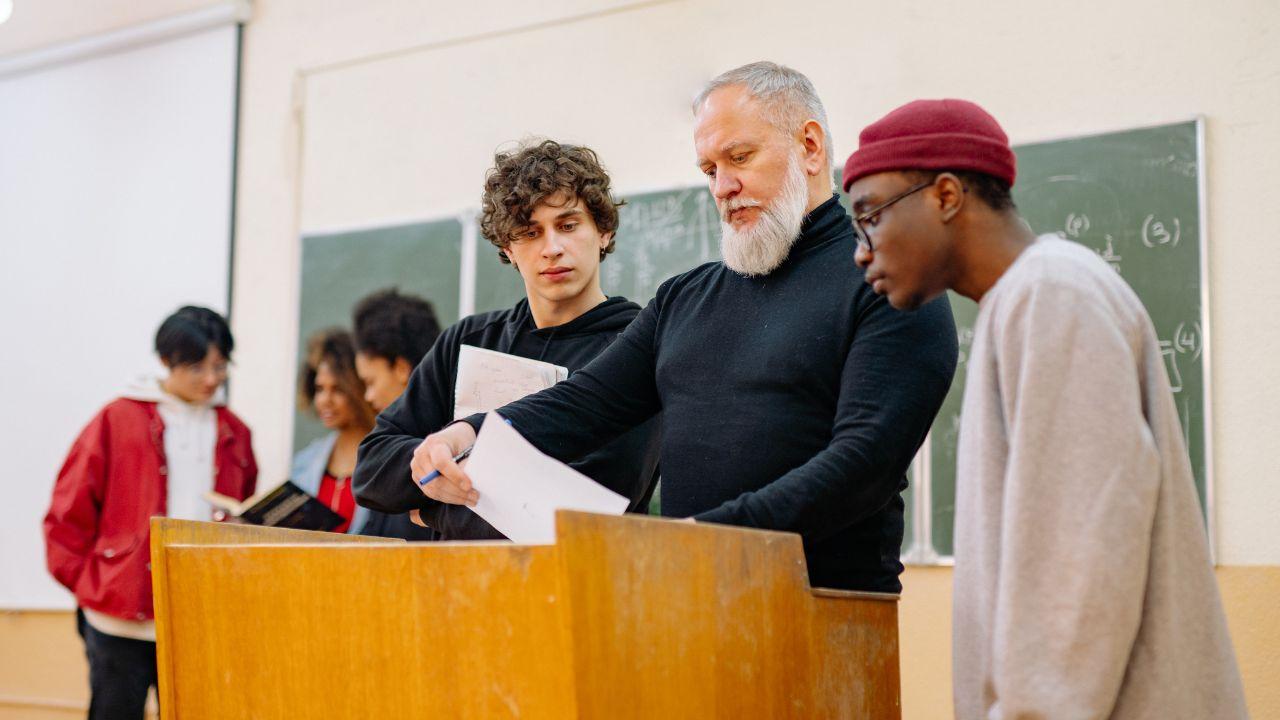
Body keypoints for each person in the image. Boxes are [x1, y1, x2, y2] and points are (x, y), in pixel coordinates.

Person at [405, 62, 958, 592]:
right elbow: (584, 405)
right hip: (690, 595)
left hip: (820, 610)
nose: (723, 186)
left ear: (809, 147)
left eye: (739, 157)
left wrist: (704, 538)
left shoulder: (889, 281)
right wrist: (469, 433)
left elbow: (861, 467)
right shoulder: (685, 298)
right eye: (710, 170)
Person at [841, 98, 1247, 717]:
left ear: (946, 195)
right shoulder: (1025, 299)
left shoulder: (1051, 296)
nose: (861, 252)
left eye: (869, 218)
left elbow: (1080, 572)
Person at [354, 140, 662, 539]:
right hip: (457, 590)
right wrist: (455, 474)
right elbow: (372, 468)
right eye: (529, 232)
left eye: (568, 226)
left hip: (575, 586)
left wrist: (432, 511)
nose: (552, 248)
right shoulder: (469, 340)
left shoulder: (639, 347)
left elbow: (588, 504)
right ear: (507, 248)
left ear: (602, 231)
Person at [43, 306, 258, 720]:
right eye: (197, 367)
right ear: (165, 362)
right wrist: (96, 585)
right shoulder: (116, 419)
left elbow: (242, 508)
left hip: (201, 616)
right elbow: (66, 515)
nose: (211, 379)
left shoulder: (235, 430)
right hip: (118, 620)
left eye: (220, 366)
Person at [350, 288, 443, 540]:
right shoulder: (389, 451)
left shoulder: (438, 449)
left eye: (370, 382)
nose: (368, 397)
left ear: (401, 368)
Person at [293, 328, 378, 534]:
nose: (324, 400)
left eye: (338, 389)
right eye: (320, 389)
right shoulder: (304, 462)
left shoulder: (385, 459)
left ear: (359, 388)